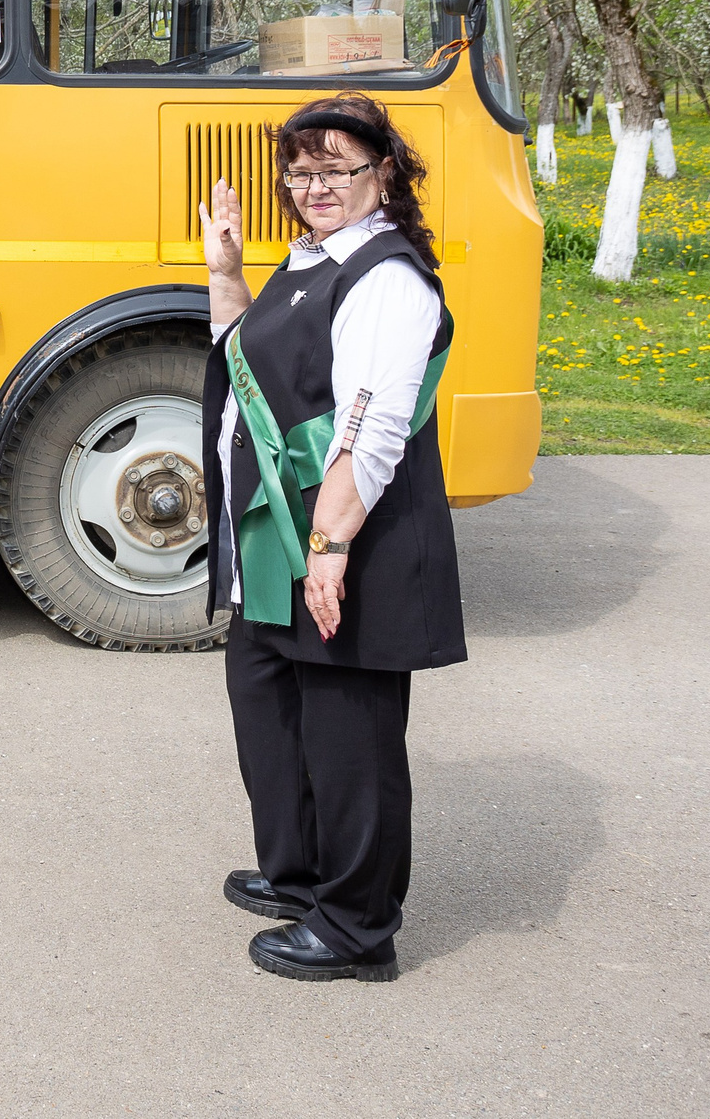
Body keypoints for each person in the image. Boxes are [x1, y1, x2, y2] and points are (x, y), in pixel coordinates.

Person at [200, 91, 462, 984]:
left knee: (350, 732)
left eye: (335, 169)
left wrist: (330, 547)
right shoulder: (313, 258)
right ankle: (301, 874)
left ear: (383, 172)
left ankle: (357, 926)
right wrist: (226, 272)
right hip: (279, 536)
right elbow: (251, 360)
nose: (315, 187)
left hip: (345, 539)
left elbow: (373, 424)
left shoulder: (386, 276)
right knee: (270, 706)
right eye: (300, 171)